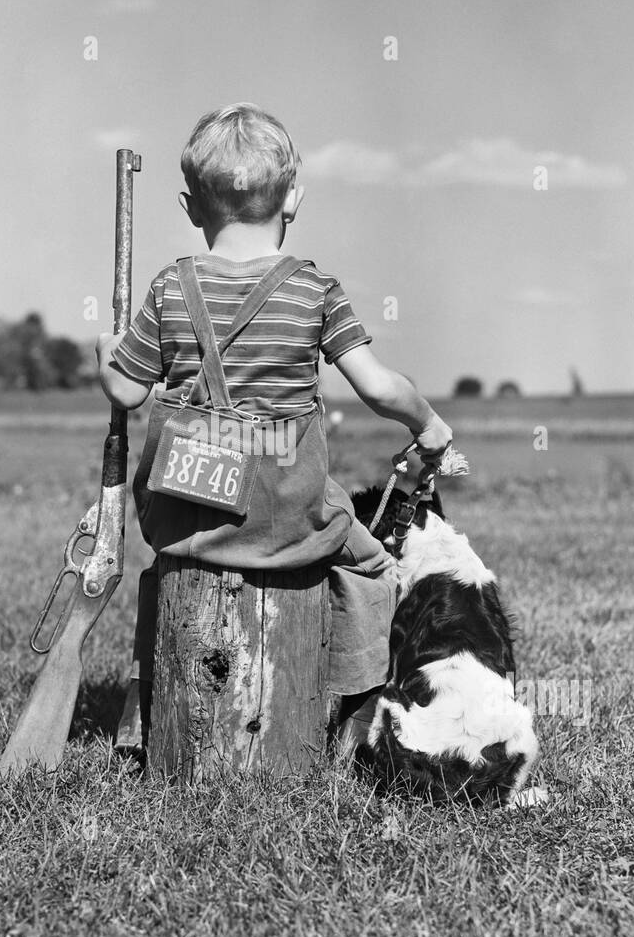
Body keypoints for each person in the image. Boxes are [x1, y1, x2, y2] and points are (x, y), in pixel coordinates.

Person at [96, 103, 452, 749]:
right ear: (293, 199)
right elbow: (377, 387)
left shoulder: (170, 289)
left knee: (156, 579)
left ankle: (143, 713)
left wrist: (106, 349)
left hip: (186, 527)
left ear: (190, 207)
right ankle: (345, 714)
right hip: (291, 525)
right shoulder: (315, 290)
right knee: (370, 570)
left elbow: (124, 388)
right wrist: (427, 424)